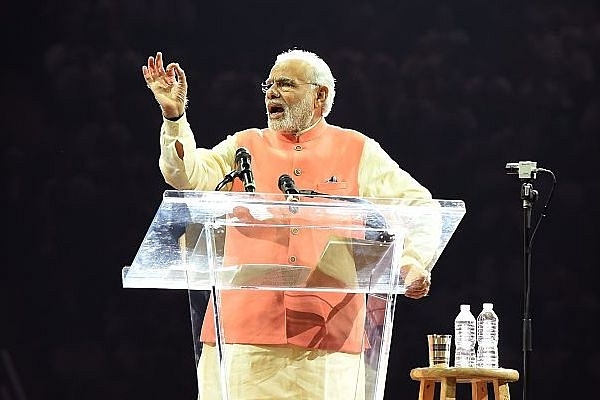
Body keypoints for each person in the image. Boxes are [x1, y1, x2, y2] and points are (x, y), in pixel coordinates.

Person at [142, 49, 440, 400]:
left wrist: (413, 261)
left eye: (286, 84)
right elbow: (186, 175)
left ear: (320, 95)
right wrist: (174, 116)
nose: (271, 92)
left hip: (330, 343)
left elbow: (421, 207)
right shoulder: (243, 146)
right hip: (244, 338)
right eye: (269, 84)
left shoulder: (358, 150)